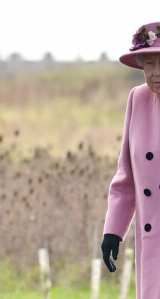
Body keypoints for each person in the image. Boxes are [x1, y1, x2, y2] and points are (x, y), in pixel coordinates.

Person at [101, 22, 160, 299]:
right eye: (149, 63)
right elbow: (127, 178)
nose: (156, 72)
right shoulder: (138, 99)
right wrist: (113, 230)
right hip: (153, 244)